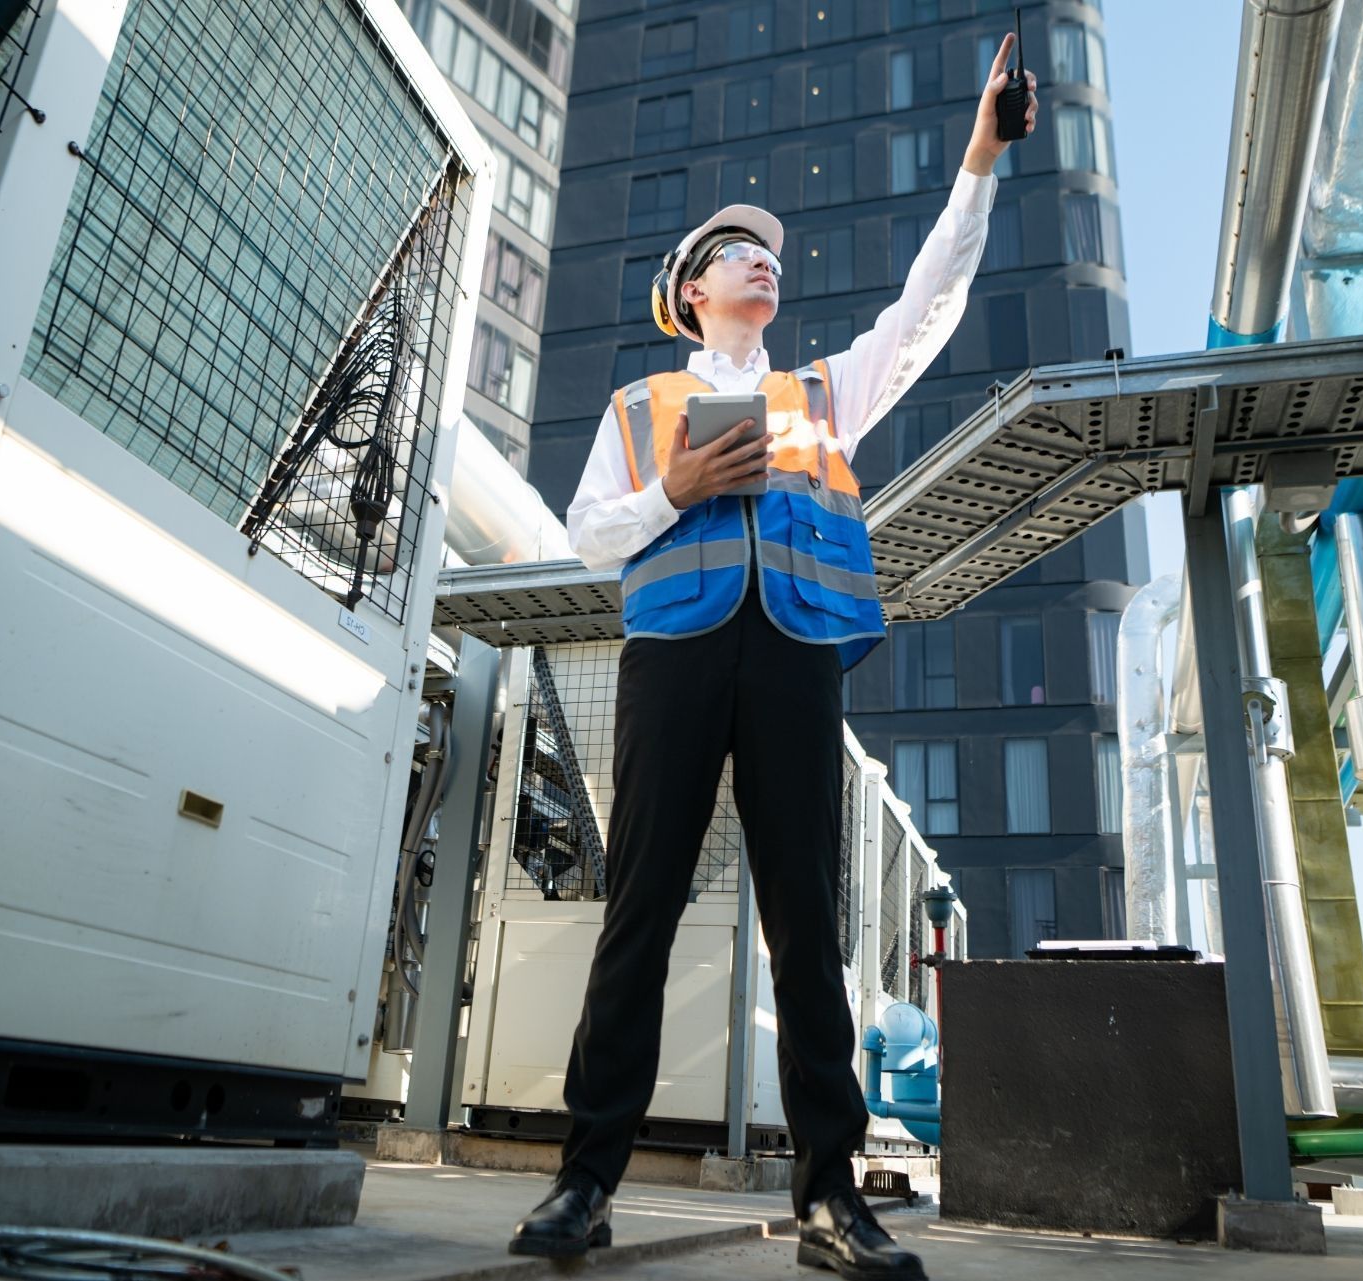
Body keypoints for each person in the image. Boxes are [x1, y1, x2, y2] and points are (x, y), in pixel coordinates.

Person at [506, 33, 1036, 1281]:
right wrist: (675, 488)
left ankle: (828, 1203)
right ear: (693, 293)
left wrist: (979, 158)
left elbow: (929, 307)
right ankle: (585, 1187)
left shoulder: (823, 390)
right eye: (741, 253)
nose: (766, 263)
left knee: (809, 921)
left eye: (772, 258)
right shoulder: (642, 410)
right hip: (677, 659)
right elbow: (588, 535)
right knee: (638, 909)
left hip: (796, 657)